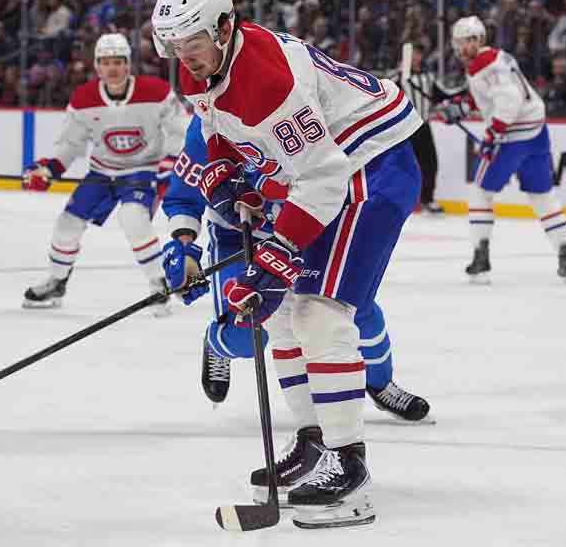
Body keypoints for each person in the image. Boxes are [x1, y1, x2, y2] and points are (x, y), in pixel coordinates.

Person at [151, 0, 422, 528]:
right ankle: (315, 442)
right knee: (279, 318)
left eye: (192, 41)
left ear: (223, 28)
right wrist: (225, 176)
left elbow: (324, 177)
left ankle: (350, 471)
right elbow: (219, 130)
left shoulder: (267, 84)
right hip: (329, 168)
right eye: (173, 45)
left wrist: (277, 254)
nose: (184, 56)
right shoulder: (206, 64)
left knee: (320, 313)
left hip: (372, 166)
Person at [159, 115, 431, 425]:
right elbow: (184, 195)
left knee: (351, 306)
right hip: (240, 234)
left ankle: (381, 383)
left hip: (303, 228)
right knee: (247, 333)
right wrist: (183, 243)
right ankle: (217, 343)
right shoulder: (210, 121)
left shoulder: (306, 105)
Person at [21, 32, 188, 312]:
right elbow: (71, 144)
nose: (113, 68)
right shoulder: (84, 98)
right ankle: (56, 281)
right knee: (67, 224)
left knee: (133, 218)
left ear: (128, 64)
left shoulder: (156, 92)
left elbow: (180, 130)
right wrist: (50, 169)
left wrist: (170, 162)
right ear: (97, 66)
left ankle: (158, 283)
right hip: (102, 172)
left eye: (119, 62)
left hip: (142, 171)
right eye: (106, 62)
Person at [446, 15, 566, 284]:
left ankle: (481, 256)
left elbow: (510, 100)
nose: (462, 47)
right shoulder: (498, 57)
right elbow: (490, 96)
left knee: (481, 191)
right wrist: (462, 107)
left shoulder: (484, 64)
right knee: (542, 195)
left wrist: (492, 133)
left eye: (466, 41)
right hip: (536, 131)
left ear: (477, 40)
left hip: (511, 136)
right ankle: (565, 253)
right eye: (460, 42)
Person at [399, 42, 448, 215]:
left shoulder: (428, 77)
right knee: (404, 166)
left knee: (430, 164)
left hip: (424, 126)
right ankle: (402, 200)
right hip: (405, 129)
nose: (416, 57)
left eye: (418, 53)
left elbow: (441, 96)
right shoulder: (397, 79)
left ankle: (427, 199)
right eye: (413, 53)